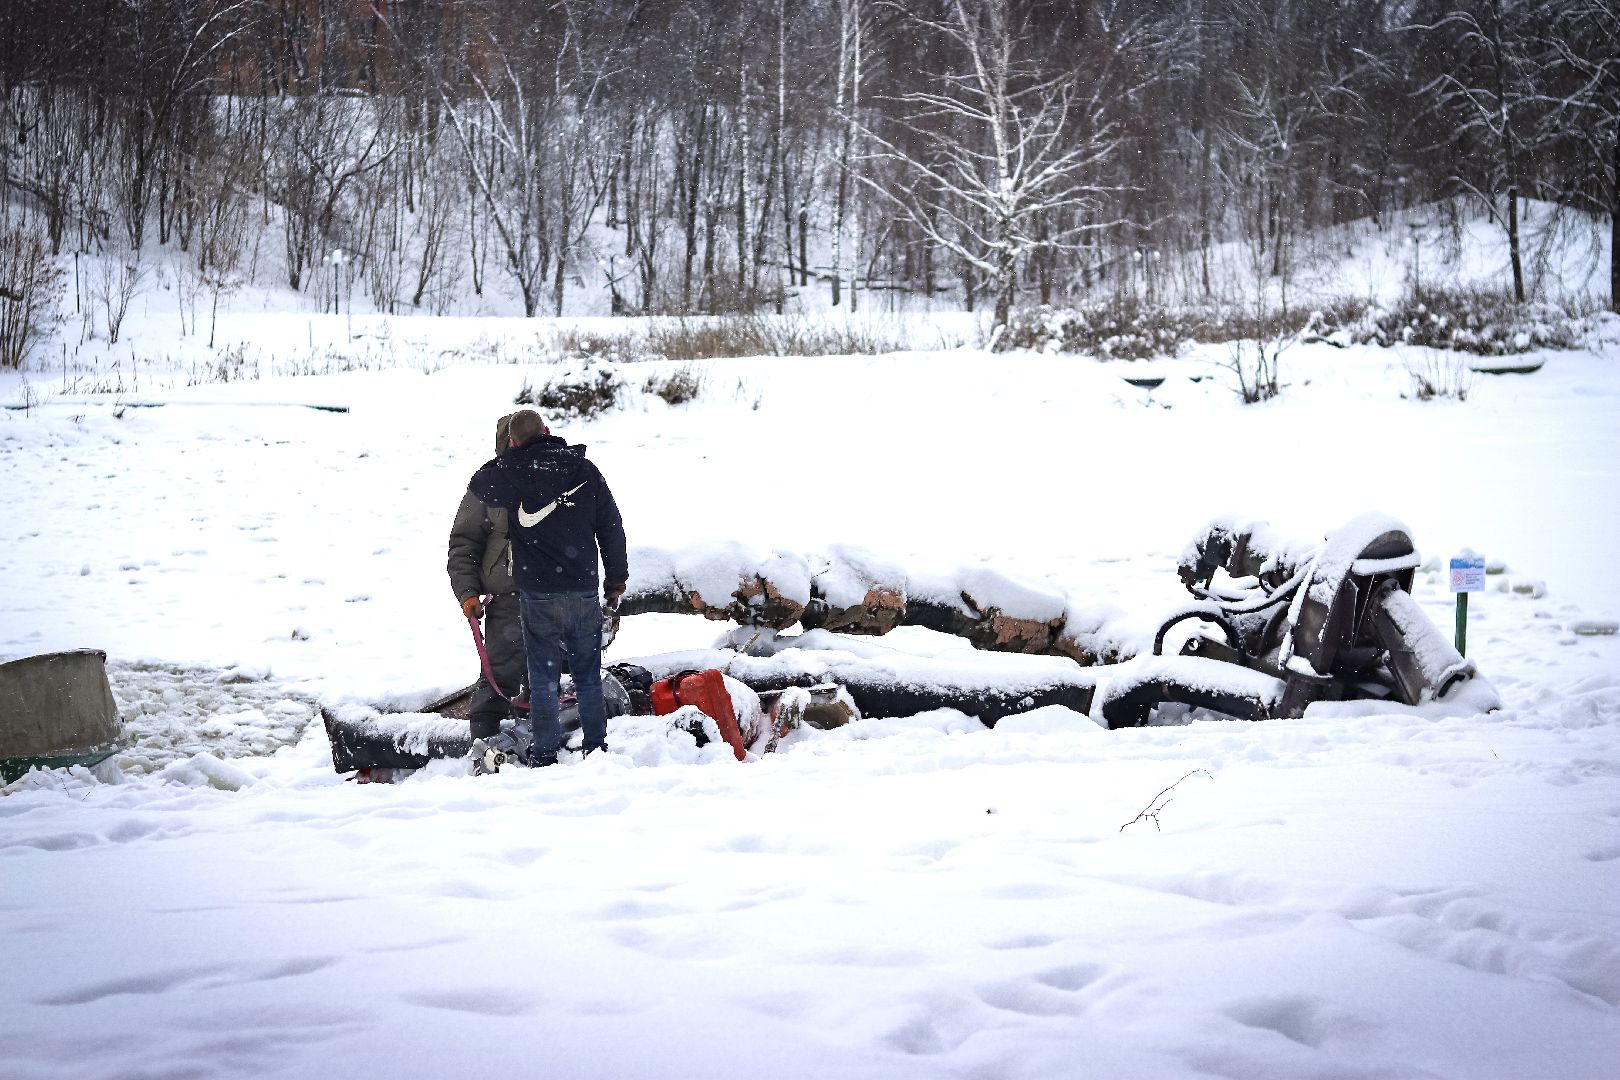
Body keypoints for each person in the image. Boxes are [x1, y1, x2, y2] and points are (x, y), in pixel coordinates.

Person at [467, 409, 627, 764]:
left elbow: (479, 483)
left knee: (543, 678)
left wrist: (511, 458)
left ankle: (544, 753)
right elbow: (611, 529)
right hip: (582, 589)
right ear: (549, 430)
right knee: (587, 675)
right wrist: (616, 581)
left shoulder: (510, 473)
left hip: (536, 592)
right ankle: (596, 749)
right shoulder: (585, 471)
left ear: (512, 442)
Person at [447, 412, 527, 743]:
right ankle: (482, 746)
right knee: (498, 678)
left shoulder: (556, 475)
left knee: (550, 674)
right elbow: (463, 543)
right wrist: (467, 592)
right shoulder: (486, 484)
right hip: (506, 600)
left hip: (554, 596)